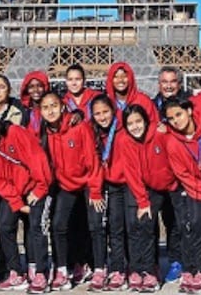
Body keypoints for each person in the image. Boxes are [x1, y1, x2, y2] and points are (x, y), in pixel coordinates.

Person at [0, 108, 53, 293]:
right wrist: (17, 203)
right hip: (14, 191)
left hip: (36, 185)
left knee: (36, 227)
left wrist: (40, 189)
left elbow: (36, 157)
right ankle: (16, 271)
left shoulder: (15, 132)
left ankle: (40, 271)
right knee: (5, 226)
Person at [37, 92, 103, 291]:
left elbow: (92, 160)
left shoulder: (80, 127)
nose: (50, 110)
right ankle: (63, 269)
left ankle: (99, 268)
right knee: (58, 225)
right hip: (65, 185)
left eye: (54, 105)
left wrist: (96, 191)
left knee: (95, 225)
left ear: (63, 106)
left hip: (88, 182)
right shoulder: (45, 132)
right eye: (45, 107)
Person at [162, 96, 201, 294]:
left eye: (178, 114)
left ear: (189, 111)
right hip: (192, 187)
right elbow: (182, 174)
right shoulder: (172, 142)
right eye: (171, 118)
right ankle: (189, 269)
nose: (176, 120)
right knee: (189, 225)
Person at [87, 95, 135, 291]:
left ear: (114, 111)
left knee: (131, 226)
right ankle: (116, 268)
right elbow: (92, 162)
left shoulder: (125, 129)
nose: (102, 117)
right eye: (97, 113)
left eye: (105, 112)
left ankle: (134, 266)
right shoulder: (93, 132)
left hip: (130, 183)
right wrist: (96, 190)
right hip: (112, 185)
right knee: (114, 227)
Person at [114, 104, 162, 293]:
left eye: (138, 121)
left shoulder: (158, 134)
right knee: (133, 226)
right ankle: (135, 268)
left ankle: (150, 270)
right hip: (136, 187)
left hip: (157, 186)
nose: (135, 126)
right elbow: (131, 172)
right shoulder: (124, 140)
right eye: (130, 123)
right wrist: (142, 201)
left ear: (146, 121)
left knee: (147, 227)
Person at [150, 65, 186, 283]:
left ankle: (176, 259)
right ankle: (151, 262)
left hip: (179, 173)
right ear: (159, 84)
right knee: (151, 220)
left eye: (173, 81)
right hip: (155, 172)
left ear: (179, 84)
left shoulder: (186, 105)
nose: (169, 85)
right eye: (165, 82)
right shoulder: (150, 107)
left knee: (175, 220)